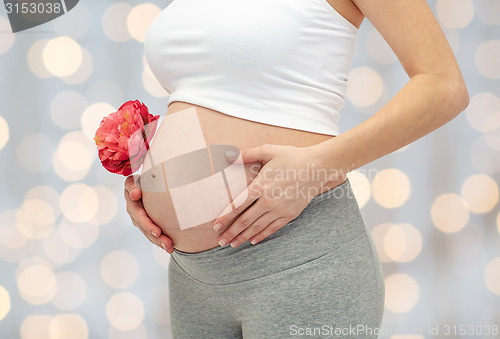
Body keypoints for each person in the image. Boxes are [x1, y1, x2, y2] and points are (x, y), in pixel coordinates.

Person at [124, 0, 469, 337]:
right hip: (192, 275)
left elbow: (443, 85)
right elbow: (211, 91)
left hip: (298, 259)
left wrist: (318, 165)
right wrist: (149, 177)